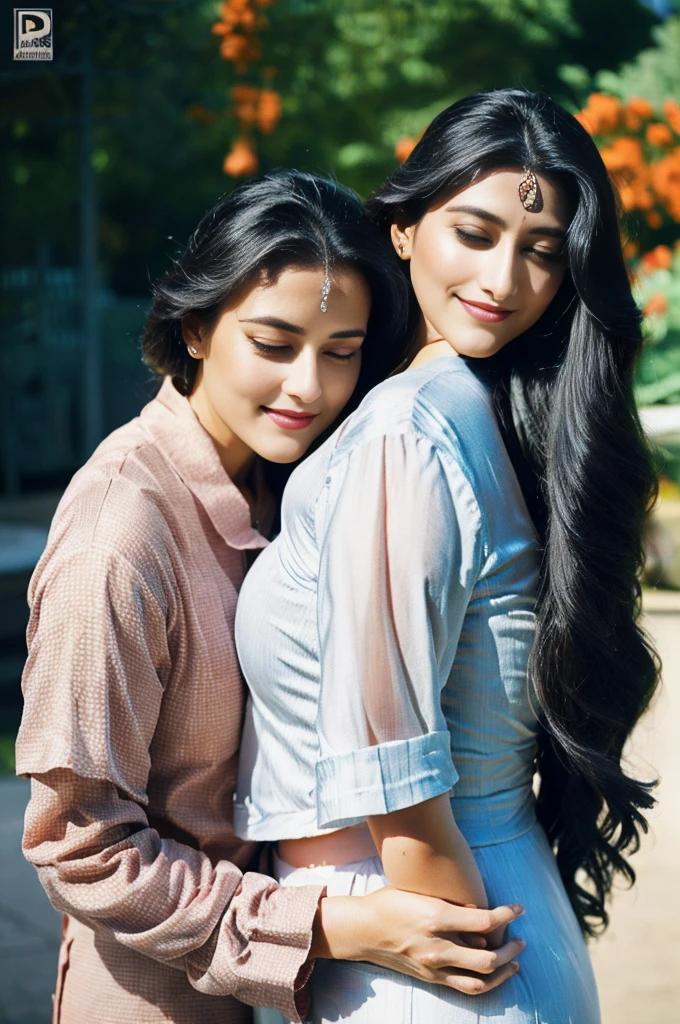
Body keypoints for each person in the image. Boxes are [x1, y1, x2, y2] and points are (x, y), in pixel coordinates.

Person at [15, 170, 526, 1024]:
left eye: (341, 350)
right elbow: (79, 848)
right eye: (274, 342)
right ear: (197, 326)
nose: (308, 388)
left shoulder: (290, 479)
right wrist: (333, 926)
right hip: (154, 998)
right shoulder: (119, 537)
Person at [234, 90, 659, 1023]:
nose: (505, 279)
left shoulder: (405, 433)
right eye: (475, 232)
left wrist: (464, 968)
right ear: (402, 229)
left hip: (432, 960)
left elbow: (403, 794)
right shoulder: (468, 412)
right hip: (472, 937)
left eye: (542, 252)